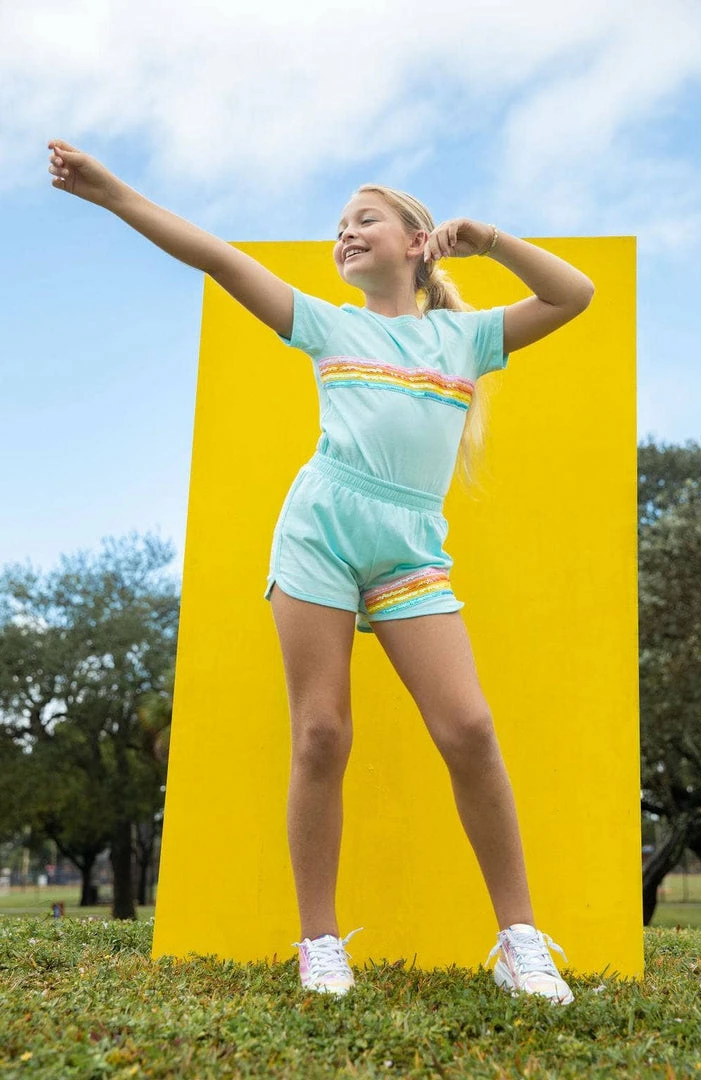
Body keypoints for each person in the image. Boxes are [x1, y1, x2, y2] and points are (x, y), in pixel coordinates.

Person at [48, 138, 594, 1006]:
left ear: (416, 242)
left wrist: (488, 240)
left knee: (470, 729)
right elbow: (220, 258)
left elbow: (574, 294)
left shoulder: (467, 337)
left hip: (411, 548)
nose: (345, 232)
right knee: (321, 733)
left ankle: (520, 940)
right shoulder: (330, 324)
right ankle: (320, 942)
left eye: (364, 219)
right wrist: (114, 194)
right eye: (338, 224)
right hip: (321, 534)